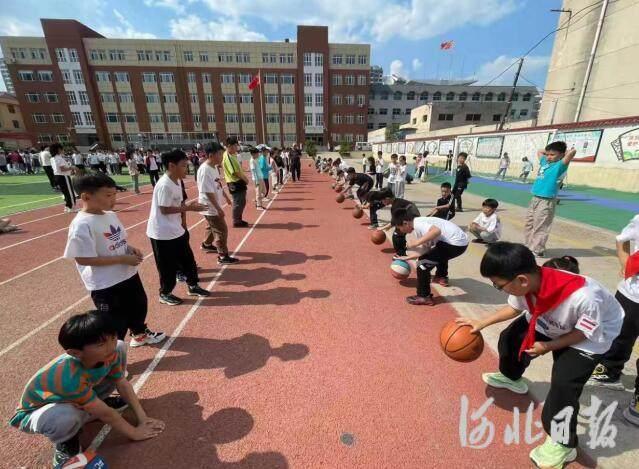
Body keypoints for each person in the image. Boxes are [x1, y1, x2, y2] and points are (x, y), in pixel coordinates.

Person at [456, 242, 624, 468]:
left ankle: (564, 443)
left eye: (498, 286)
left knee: (564, 385)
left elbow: (583, 332)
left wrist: (549, 347)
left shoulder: (584, 297)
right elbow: (514, 308)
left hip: (590, 337)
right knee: (511, 338)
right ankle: (511, 377)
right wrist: (480, 323)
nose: (499, 289)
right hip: (552, 319)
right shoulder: (526, 282)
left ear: (522, 280)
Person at [8, 311, 165, 467]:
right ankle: (66, 441)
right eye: (100, 344)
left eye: (112, 337)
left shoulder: (111, 351)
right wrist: (134, 433)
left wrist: (142, 417)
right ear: (76, 353)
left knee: (120, 346)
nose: (111, 345)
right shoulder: (67, 376)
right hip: (36, 412)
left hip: (77, 394)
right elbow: (106, 414)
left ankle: (92, 404)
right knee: (64, 417)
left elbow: (121, 382)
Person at [64, 173, 165, 347]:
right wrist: (122, 258)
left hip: (127, 274)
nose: (113, 199)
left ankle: (139, 334)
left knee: (139, 306)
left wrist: (129, 248)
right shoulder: (81, 224)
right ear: (86, 197)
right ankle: (111, 358)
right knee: (114, 322)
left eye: (115, 194)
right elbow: (82, 258)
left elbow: (118, 240)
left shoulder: (109, 215)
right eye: (108, 195)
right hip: (106, 283)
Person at [588, 213, 639, 426]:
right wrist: (627, 264)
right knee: (619, 335)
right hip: (632, 294)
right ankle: (610, 370)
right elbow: (621, 240)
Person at [146, 149, 210, 306]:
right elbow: (164, 209)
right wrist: (189, 208)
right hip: (161, 233)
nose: (186, 168)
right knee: (167, 266)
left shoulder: (177, 181)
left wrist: (185, 217)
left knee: (188, 260)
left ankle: (193, 285)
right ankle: (165, 293)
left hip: (176, 230)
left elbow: (179, 203)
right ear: (171, 166)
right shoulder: (164, 185)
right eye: (183, 165)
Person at [394, 211, 469, 305]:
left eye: (400, 228)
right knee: (434, 254)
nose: (401, 231)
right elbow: (426, 249)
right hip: (455, 242)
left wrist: (415, 243)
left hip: (456, 244)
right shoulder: (418, 227)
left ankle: (423, 296)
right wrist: (408, 257)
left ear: (405, 223)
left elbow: (436, 231)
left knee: (422, 265)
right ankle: (441, 276)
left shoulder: (419, 224)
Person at [523, 142, 577, 258]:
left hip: (546, 201)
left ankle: (538, 249)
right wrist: (549, 150)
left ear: (561, 155)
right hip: (535, 198)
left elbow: (572, 153)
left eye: (552, 155)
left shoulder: (560, 165)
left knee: (541, 225)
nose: (548, 157)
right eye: (547, 154)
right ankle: (529, 246)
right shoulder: (544, 162)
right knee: (529, 224)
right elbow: (539, 151)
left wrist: (566, 152)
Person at [197, 142, 239, 265]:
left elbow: (217, 184)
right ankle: (222, 256)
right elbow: (207, 192)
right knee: (221, 229)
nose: (222, 157)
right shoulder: (205, 170)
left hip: (214, 205)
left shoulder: (214, 167)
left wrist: (225, 197)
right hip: (209, 206)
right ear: (211, 155)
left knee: (212, 226)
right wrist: (218, 209)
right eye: (220, 154)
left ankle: (206, 244)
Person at [368, 188, 420, 257]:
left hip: (412, 217)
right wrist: (387, 227)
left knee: (397, 235)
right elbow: (394, 221)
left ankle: (401, 254)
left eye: (382, 200)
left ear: (387, 198)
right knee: (398, 233)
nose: (382, 202)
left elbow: (394, 222)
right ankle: (402, 250)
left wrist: (382, 228)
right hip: (410, 215)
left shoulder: (396, 206)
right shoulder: (396, 202)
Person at [222, 137, 250, 227]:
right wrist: (245, 179)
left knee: (241, 201)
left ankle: (238, 219)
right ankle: (236, 221)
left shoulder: (232, 154)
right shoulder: (228, 157)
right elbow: (235, 172)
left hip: (237, 181)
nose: (236, 148)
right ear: (229, 146)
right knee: (238, 201)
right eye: (235, 146)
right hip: (234, 182)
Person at [50, 143, 77, 213]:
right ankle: (72, 207)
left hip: (57, 176)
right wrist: (72, 167)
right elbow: (62, 169)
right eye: (62, 149)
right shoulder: (59, 158)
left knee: (65, 192)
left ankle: (68, 206)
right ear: (59, 150)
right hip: (63, 176)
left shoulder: (53, 158)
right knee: (70, 192)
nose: (63, 150)